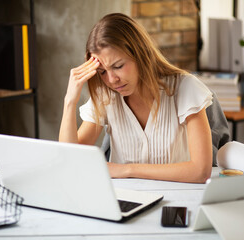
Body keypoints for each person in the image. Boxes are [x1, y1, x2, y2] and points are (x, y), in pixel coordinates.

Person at [59, 13, 213, 183]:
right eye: (102, 72)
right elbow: (70, 159)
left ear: (140, 55)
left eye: (118, 66)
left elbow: (200, 171)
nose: (111, 80)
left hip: (176, 200)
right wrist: (69, 102)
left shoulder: (185, 88)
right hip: (124, 200)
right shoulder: (106, 96)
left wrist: (127, 169)